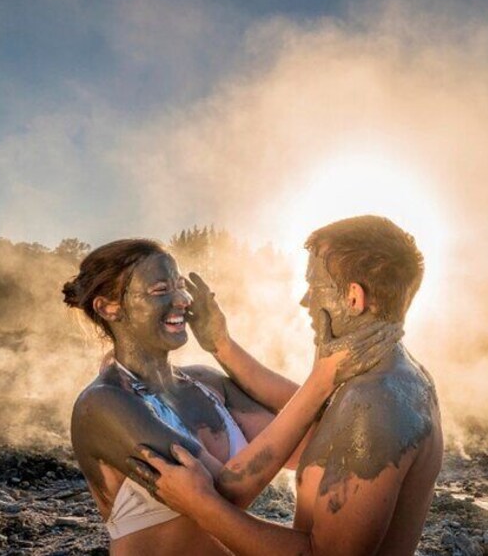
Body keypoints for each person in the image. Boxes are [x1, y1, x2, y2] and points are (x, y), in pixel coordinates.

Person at [131, 216, 443, 556]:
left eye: (314, 285)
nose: (305, 301)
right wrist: (221, 344)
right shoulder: (391, 372)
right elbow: (307, 404)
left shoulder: (375, 402)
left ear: (353, 298)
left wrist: (201, 505)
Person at [64, 239, 399, 555]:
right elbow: (226, 493)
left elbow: (321, 439)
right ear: (108, 308)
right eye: (161, 290)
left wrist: (221, 345)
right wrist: (321, 380)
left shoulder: (206, 383)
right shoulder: (103, 404)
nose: (181, 300)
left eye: (180, 285)